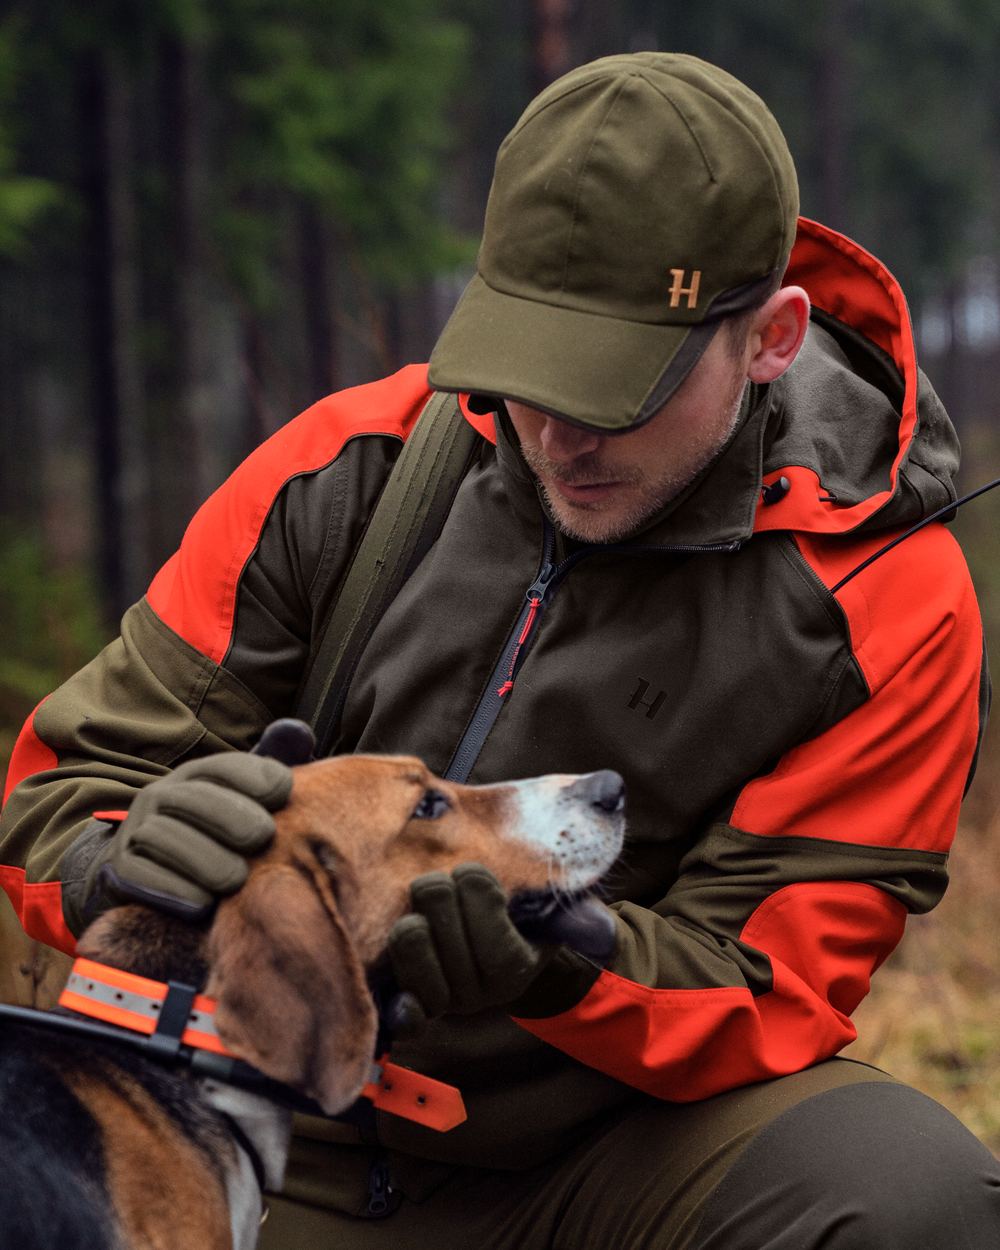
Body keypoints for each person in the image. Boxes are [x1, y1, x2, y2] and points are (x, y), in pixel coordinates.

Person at [2, 51, 998, 1248]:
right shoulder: (345, 465)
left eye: (618, 389)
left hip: (597, 1160)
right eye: (530, 372)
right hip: (252, 1121)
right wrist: (120, 861)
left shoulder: (885, 595)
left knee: (903, 1191)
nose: (558, 433)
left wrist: (561, 963)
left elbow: (769, 987)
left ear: (771, 336)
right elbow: (57, 789)